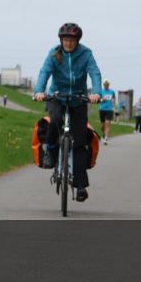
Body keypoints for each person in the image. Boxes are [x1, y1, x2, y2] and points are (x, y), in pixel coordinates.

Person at [33, 23, 102, 201]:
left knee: (79, 142)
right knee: (54, 121)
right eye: (65, 40)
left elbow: (94, 73)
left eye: (71, 40)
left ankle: (80, 186)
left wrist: (96, 92)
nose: (68, 44)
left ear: (77, 41)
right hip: (58, 96)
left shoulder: (86, 53)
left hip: (78, 99)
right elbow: (44, 72)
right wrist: (39, 91)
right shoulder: (54, 53)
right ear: (61, 40)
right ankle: (50, 151)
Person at [98, 80, 117, 145]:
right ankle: (103, 133)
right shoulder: (101, 91)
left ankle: (106, 138)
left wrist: (114, 108)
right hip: (102, 109)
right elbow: (98, 100)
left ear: (109, 85)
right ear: (103, 85)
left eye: (107, 84)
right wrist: (102, 100)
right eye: (105, 84)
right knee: (102, 126)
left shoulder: (112, 92)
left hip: (109, 110)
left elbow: (114, 100)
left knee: (107, 123)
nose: (106, 85)